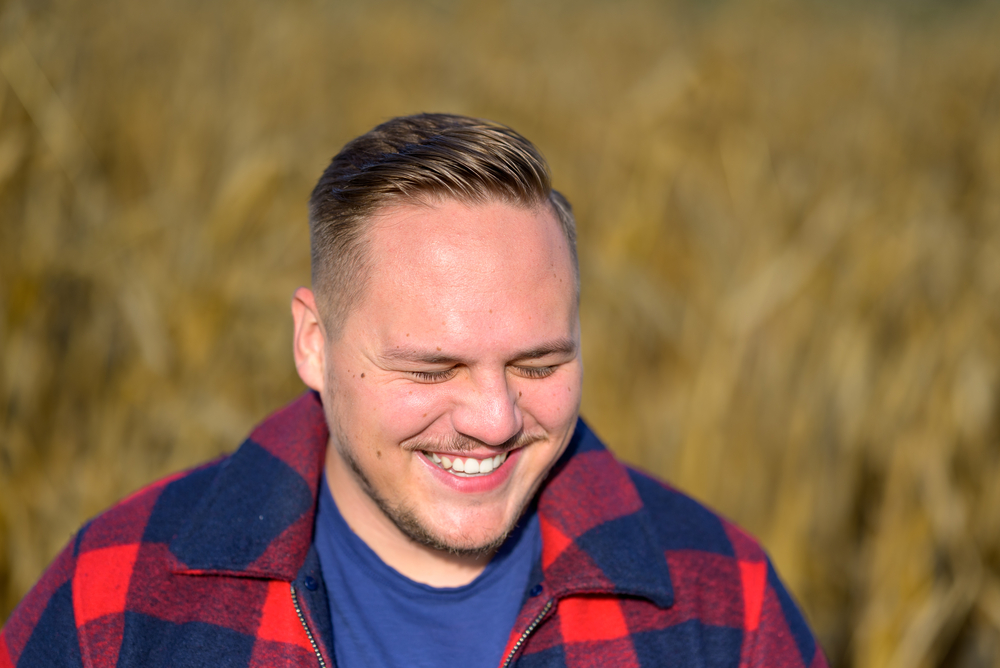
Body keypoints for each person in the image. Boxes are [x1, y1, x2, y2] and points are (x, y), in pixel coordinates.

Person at [0, 114, 828, 667]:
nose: (495, 420)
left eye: (538, 364)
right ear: (313, 344)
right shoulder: (116, 598)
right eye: (432, 369)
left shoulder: (720, 607)